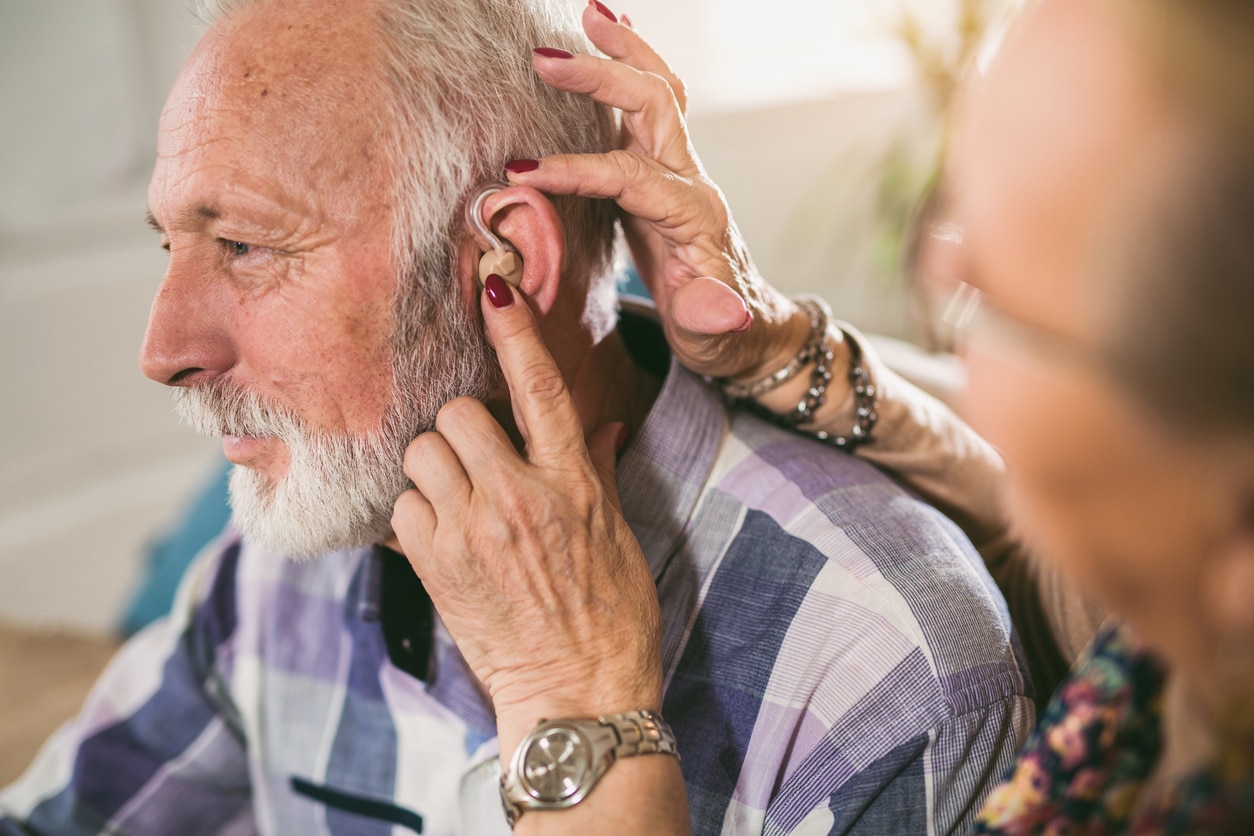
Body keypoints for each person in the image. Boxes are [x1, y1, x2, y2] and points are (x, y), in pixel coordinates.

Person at [0, 0, 1036, 834]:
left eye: (246, 247)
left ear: (505, 259)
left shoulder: (879, 675)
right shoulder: (284, 550)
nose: (164, 349)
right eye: (169, 244)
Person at [389, 0, 1254, 832]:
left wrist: (575, 716)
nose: (947, 337)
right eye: (939, 234)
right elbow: (1062, 559)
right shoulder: (1162, 661)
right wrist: (779, 347)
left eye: (980, 297)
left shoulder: (911, 673)